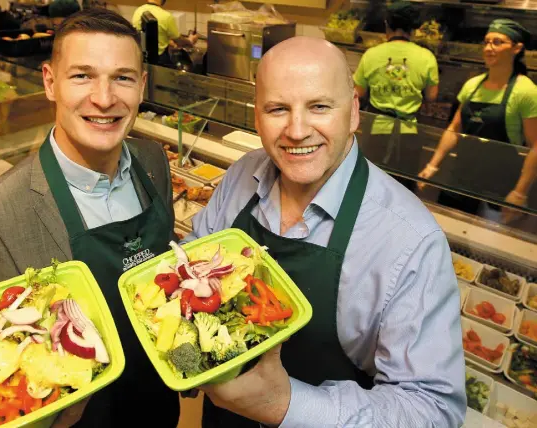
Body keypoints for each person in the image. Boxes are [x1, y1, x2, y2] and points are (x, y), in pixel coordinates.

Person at [184, 36, 466, 427]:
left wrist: (282, 405)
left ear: (353, 112)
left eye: (319, 106)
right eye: (278, 108)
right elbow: (193, 260)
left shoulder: (410, 240)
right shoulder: (239, 177)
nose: (297, 131)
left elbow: (432, 412)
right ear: (256, 116)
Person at [0, 8, 179, 427]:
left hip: (158, 400)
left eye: (122, 77)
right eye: (82, 76)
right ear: (49, 82)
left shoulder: (153, 162)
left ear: (142, 85)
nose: (105, 98)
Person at [418, 19, 537, 222]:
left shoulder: (526, 91)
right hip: (461, 179)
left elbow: (535, 145)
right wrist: (433, 164)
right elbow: (454, 129)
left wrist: (519, 192)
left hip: (499, 186)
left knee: (487, 244)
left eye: (498, 42)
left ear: (516, 48)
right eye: (486, 42)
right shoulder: (472, 85)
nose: (489, 48)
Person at [353, 1, 439, 186]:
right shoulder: (427, 57)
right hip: (409, 130)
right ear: (413, 28)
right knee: (404, 185)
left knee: (371, 182)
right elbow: (432, 95)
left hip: (376, 128)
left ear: (387, 24)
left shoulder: (372, 54)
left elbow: (358, 92)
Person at [131, 0, 198, 67]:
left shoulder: (138, 11)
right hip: (159, 60)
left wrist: (167, 41)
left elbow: (146, 35)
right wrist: (190, 40)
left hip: (140, 58)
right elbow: (179, 41)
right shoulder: (166, 16)